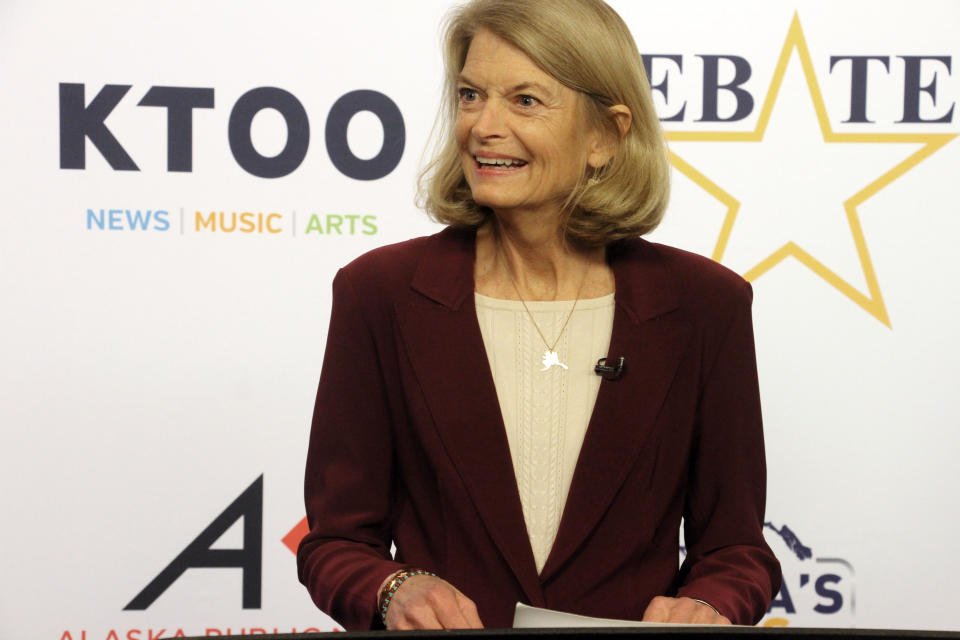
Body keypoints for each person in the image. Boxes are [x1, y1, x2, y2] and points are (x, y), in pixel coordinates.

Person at [297, 0, 781, 630]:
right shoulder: (380, 293)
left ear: (605, 135)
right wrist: (392, 588)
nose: (482, 126)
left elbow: (736, 550)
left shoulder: (704, 305)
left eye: (525, 100)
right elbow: (334, 542)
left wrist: (712, 603)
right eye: (471, 95)